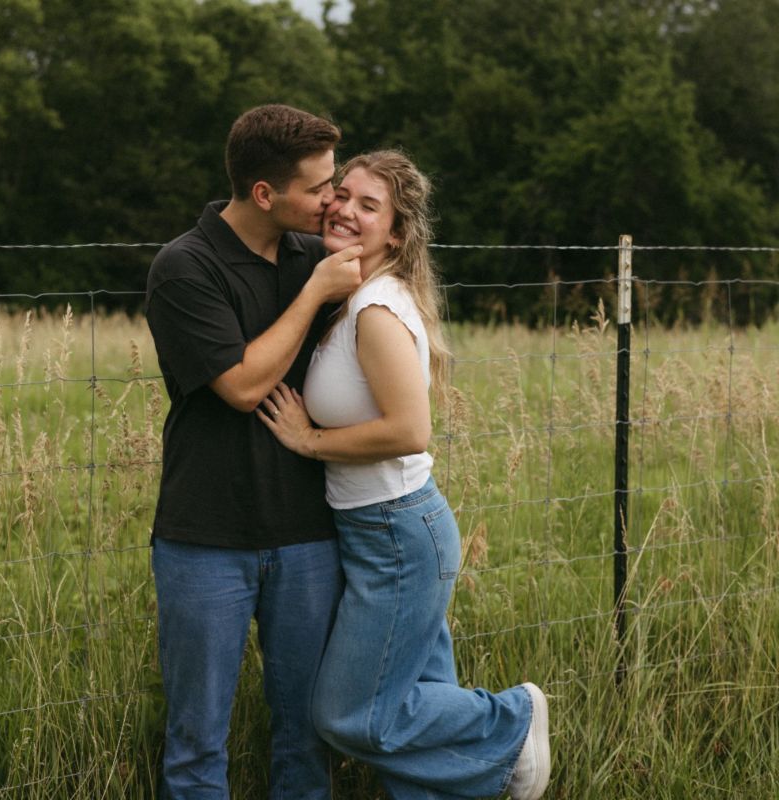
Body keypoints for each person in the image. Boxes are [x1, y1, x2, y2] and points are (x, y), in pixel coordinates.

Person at [258, 151, 551, 800]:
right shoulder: (353, 297)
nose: (345, 210)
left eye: (369, 206)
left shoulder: (376, 310)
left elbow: (410, 430)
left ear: (395, 234)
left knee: (350, 714)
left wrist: (309, 441)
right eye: (343, 195)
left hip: (396, 534)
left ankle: (511, 723)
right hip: (380, 530)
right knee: (415, 699)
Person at [144, 104, 363, 800]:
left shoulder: (313, 253)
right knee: (196, 745)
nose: (332, 200)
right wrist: (315, 293)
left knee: (306, 738)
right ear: (265, 193)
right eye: (318, 187)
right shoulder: (185, 266)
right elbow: (240, 386)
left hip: (309, 534)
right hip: (204, 538)